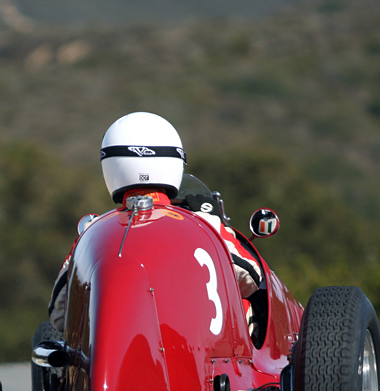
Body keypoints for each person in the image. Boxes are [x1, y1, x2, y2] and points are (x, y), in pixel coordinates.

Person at [49, 112, 263, 334]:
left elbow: (60, 313)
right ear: (175, 162)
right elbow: (252, 277)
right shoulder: (204, 224)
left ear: (110, 163)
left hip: (119, 355)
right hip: (195, 350)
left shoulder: (93, 234)